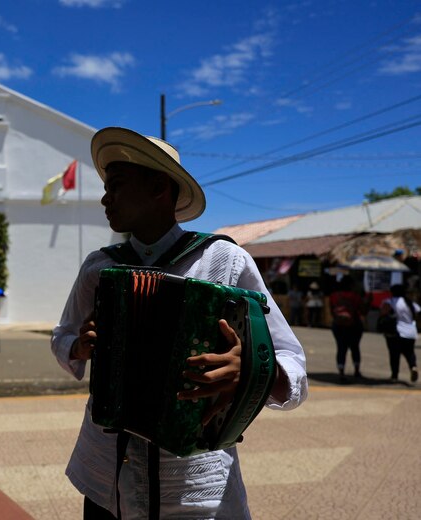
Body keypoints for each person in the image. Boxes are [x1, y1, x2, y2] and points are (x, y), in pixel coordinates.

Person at [51, 127, 308, 518]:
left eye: (117, 185)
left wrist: (252, 369)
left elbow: (290, 357)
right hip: (106, 477)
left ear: (159, 188)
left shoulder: (224, 260)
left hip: (193, 488)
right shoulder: (99, 267)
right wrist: (77, 345)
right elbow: (62, 333)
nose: (105, 198)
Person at [380, 284, 419, 383]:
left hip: (395, 332)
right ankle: (413, 366)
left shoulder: (389, 302)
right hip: (410, 331)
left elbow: (383, 314)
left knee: (394, 354)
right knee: (410, 352)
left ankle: (394, 375)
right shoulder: (410, 303)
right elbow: (418, 314)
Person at [329, 275, 364, 382]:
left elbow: (331, 310)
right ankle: (357, 370)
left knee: (341, 348)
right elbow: (361, 310)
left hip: (338, 325)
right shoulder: (356, 296)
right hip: (354, 325)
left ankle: (341, 372)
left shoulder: (334, 296)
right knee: (355, 348)